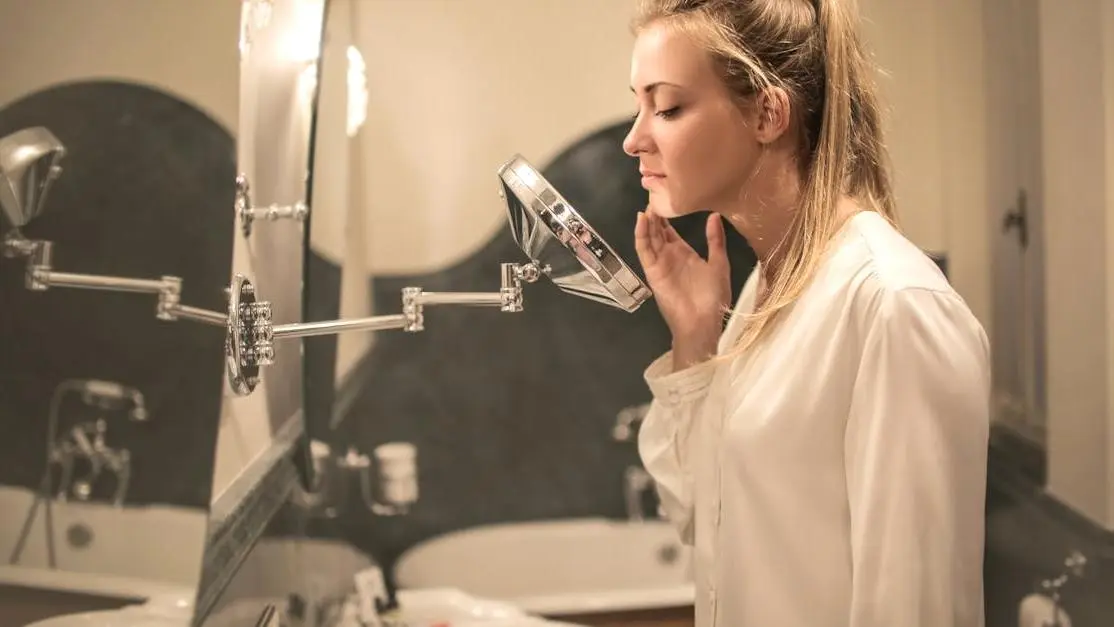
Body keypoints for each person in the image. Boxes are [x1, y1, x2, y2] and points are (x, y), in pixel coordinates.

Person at [624, 1, 991, 626]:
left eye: (668, 107)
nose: (635, 138)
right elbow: (698, 513)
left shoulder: (892, 305)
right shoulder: (765, 292)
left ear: (768, 112)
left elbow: (913, 607)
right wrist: (695, 340)